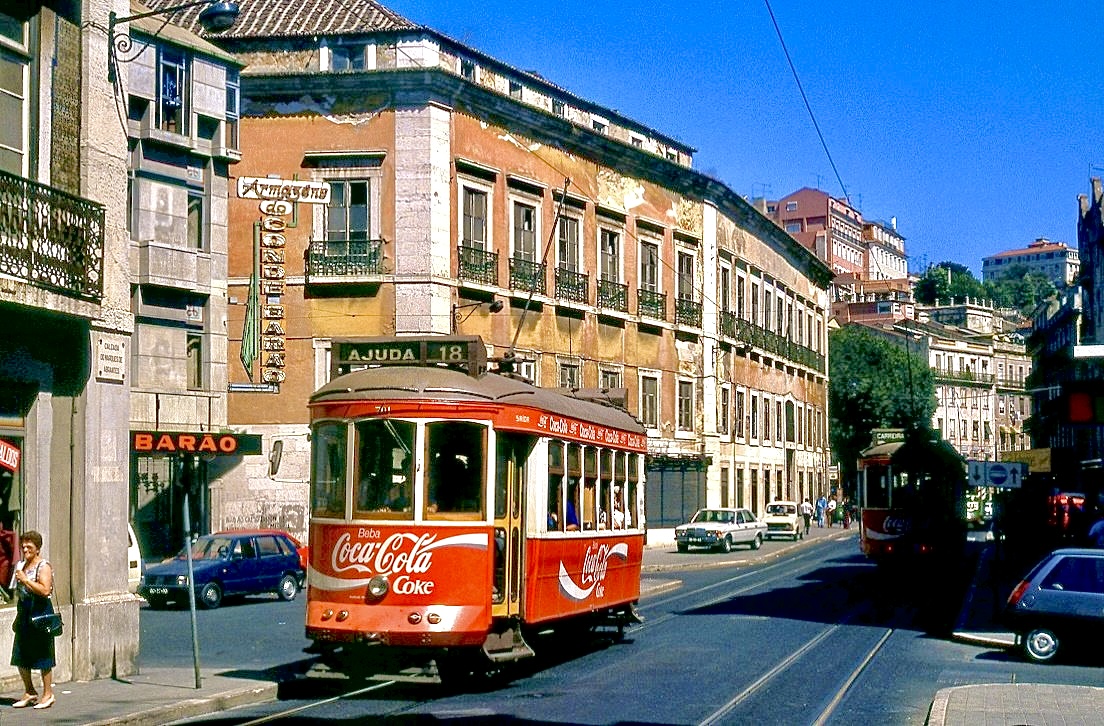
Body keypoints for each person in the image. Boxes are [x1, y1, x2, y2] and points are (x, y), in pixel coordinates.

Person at [10, 531, 56, 710]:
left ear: (37, 548)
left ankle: (48, 694)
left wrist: (25, 580)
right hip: (24, 614)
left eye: (29, 546)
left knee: (43, 655)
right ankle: (30, 691)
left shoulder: (43, 566)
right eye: (23, 546)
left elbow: (45, 591)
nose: (25, 549)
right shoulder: (21, 565)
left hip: (40, 613)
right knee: (20, 655)